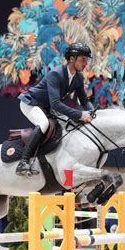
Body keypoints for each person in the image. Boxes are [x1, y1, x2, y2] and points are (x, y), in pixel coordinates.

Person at [16, 42, 94, 176]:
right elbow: (56, 104)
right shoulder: (56, 74)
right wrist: (80, 114)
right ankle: (22, 162)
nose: (85, 63)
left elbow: (84, 100)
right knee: (44, 123)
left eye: (86, 60)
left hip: (45, 107)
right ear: (72, 59)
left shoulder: (78, 77)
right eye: (82, 60)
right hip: (31, 103)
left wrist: (93, 113)